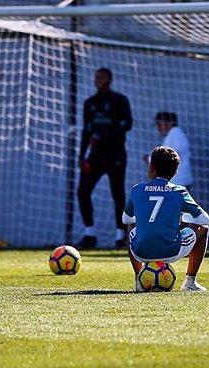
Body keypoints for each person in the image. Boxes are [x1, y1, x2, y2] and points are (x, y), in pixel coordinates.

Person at [123, 146, 209, 292]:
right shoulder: (180, 191)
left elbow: (126, 219)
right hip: (171, 251)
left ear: (151, 167)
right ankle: (190, 282)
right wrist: (183, 218)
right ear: (175, 172)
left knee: (131, 225)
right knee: (203, 229)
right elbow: (204, 219)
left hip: (140, 251)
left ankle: (139, 280)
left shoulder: (137, 189)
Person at [76, 68, 133, 250]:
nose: (98, 80)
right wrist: (81, 155)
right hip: (95, 156)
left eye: (102, 77)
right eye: (96, 77)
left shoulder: (120, 100)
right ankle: (90, 234)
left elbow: (127, 124)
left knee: (117, 194)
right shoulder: (89, 103)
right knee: (83, 191)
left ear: (110, 78)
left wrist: (105, 134)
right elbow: (86, 131)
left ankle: (120, 236)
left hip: (115, 154)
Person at [145, 112, 194, 191]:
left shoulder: (176, 134)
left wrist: (150, 159)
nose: (158, 128)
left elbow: (172, 156)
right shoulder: (172, 136)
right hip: (176, 181)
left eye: (159, 124)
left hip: (179, 182)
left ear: (168, 123)